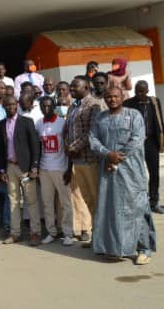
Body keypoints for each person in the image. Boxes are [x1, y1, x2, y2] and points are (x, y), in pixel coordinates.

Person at [90, 87, 156, 265]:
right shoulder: (100, 118)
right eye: (109, 96)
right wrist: (107, 154)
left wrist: (117, 157)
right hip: (108, 172)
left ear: (122, 97)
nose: (112, 99)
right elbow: (93, 140)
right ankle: (115, 247)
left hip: (131, 171)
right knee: (111, 209)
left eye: (115, 96)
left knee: (137, 208)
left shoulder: (134, 115)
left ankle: (143, 249)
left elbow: (137, 139)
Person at [0, 96, 42, 246]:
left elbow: (35, 145)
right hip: (10, 167)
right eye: (7, 105)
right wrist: (2, 169)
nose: (10, 107)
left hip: (26, 168)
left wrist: (34, 167)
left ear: (17, 106)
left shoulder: (26, 122)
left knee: (31, 200)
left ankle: (35, 232)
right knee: (13, 200)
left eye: (12, 105)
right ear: (3, 107)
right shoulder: (1, 125)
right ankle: (15, 233)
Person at [66, 76, 105, 244]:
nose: (71, 89)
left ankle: (102, 237)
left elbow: (92, 131)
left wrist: (74, 147)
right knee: (87, 199)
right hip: (76, 161)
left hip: (90, 160)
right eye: (71, 87)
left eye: (75, 87)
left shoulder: (94, 105)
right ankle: (95, 234)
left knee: (96, 200)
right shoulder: (73, 106)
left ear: (87, 87)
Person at [36, 97, 74, 246]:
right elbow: (38, 147)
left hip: (60, 168)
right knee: (47, 203)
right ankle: (51, 232)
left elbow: (69, 146)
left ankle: (68, 233)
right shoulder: (38, 124)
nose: (46, 109)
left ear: (54, 107)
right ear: (40, 107)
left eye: (49, 106)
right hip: (44, 169)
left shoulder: (62, 123)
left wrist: (69, 169)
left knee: (65, 203)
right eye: (43, 106)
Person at [123, 80, 164, 213]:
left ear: (147, 91)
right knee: (136, 173)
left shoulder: (154, 102)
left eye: (142, 91)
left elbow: (159, 120)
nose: (139, 94)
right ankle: (139, 202)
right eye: (137, 91)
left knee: (154, 173)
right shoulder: (128, 104)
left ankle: (154, 202)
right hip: (135, 143)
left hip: (152, 142)